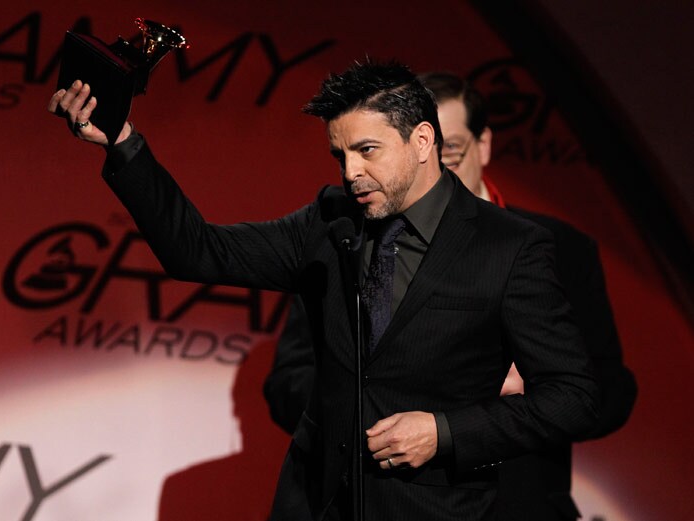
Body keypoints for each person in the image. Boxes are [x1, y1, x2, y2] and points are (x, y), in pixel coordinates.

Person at [49, 61, 599, 521]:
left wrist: (447, 431)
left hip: (431, 511)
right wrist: (121, 144)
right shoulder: (328, 223)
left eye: (367, 151)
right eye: (340, 156)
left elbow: (573, 396)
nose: (351, 172)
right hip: (312, 508)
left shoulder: (510, 246)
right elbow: (197, 250)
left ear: (423, 140)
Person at [264, 71, 637, 520]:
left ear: (483, 146)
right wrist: (379, 402)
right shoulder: (347, 238)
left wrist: (516, 395)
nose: (434, 158)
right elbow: (291, 381)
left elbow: (605, 391)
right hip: (382, 497)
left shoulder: (557, 246)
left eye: (451, 147)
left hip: (521, 502)